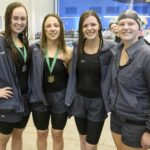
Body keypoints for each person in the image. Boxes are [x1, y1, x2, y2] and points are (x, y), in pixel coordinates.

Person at [65, 10, 116, 150]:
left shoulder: (111, 49)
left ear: (99, 25)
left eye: (93, 24)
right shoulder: (77, 48)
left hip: (98, 103)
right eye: (85, 25)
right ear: (81, 28)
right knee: (83, 140)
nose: (89, 28)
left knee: (91, 144)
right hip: (79, 101)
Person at [30, 14, 72, 150]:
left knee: (57, 133)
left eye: (55, 25)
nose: (52, 29)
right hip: (39, 98)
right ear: (43, 29)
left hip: (60, 98)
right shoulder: (35, 50)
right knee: (41, 133)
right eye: (48, 26)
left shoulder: (68, 52)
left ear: (61, 28)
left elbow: (73, 78)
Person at [109, 9, 150, 150]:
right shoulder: (116, 52)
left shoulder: (146, 55)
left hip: (137, 124)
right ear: (117, 29)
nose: (125, 27)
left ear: (139, 28)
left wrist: (149, 131)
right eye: (121, 24)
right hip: (116, 118)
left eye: (131, 23)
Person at [0, 2, 30, 150]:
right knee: (3, 138)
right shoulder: (1, 41)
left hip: (24, 98)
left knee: (18, 134)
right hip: (8, 100)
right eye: (15, 18)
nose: (19, 22)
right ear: (8, 19)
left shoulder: (24, 41)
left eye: (23, 19)